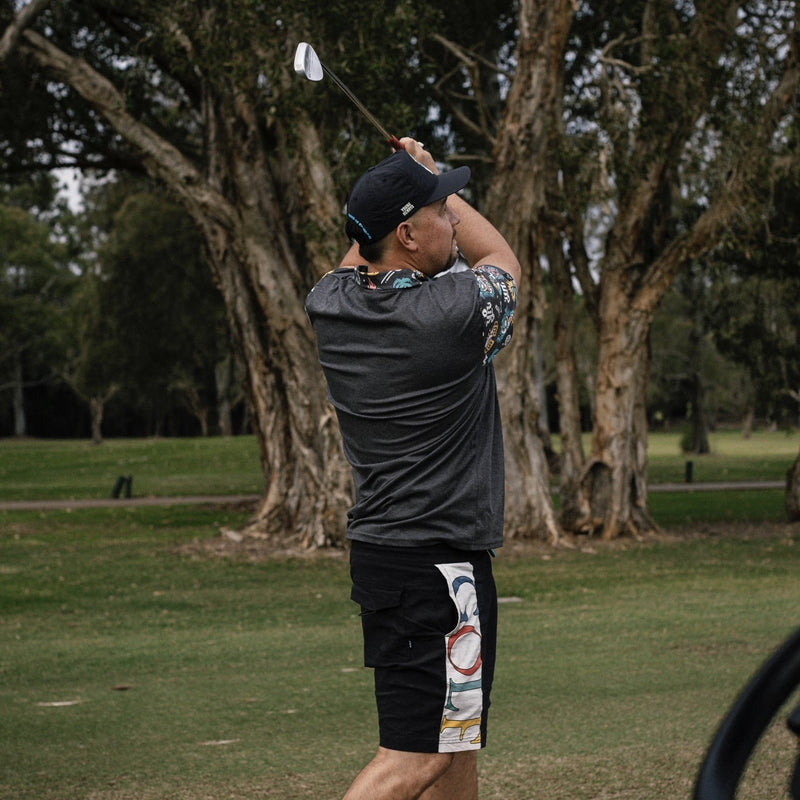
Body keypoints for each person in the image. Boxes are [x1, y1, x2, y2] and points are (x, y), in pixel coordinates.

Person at [305, 138, 521, 800]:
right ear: (406, 234)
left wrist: (413, 185)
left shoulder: (329, 302)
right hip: (435, 567)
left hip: (396, 558)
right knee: (416, 757)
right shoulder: (450, 315)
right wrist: (427, 175)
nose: (453, 218)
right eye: (441, 211)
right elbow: (502, 258)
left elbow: (363, 249)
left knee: (455, 741)